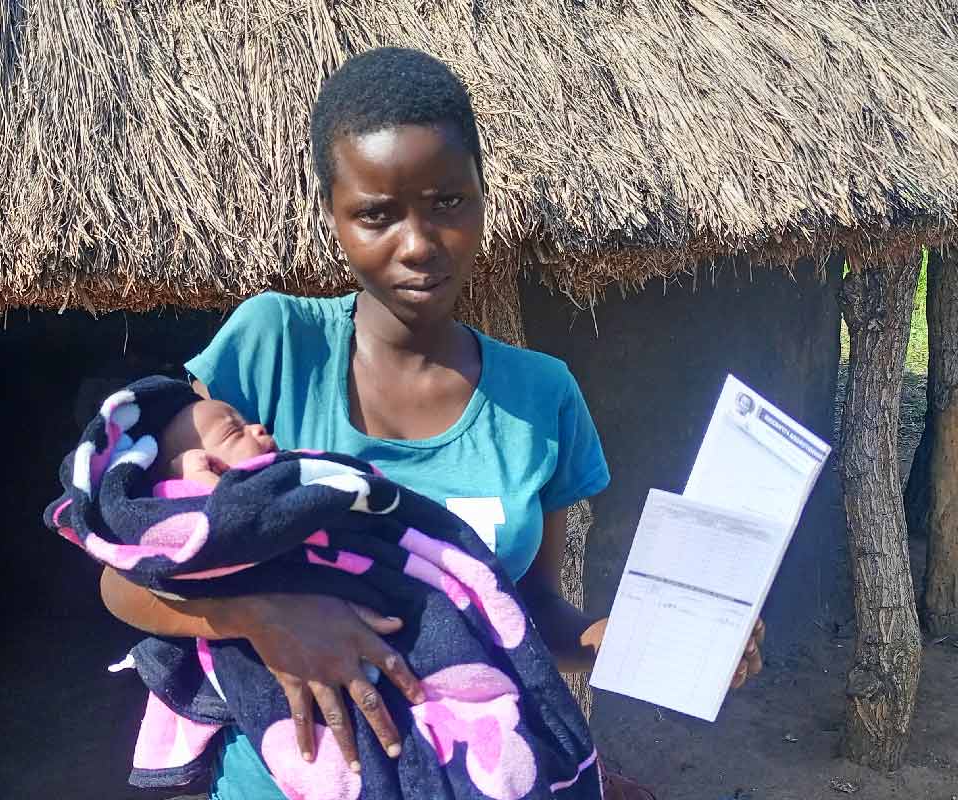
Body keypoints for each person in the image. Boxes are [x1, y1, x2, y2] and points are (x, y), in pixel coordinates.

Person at [100, 47, 764, 799]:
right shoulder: (270, 351)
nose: (417, 244)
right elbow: (125, 579)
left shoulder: (540, 398)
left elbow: (529, 612)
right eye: (376, 214)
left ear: (483, 193)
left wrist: (639, 640)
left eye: (447, 201)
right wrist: (259, 616)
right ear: (333, 215)